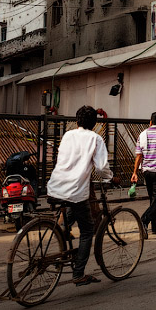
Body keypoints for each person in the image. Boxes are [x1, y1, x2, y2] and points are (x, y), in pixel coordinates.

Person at [46, 105, 112, 286]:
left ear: (77, 121)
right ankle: (78, 273)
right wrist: (111, 178)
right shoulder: (95, 138)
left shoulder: (68, 135)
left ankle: (64, 234)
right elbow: (101, 167)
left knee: (73, 210)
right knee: (88, 230)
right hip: (76, 190)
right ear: (94, 123)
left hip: (55, 187)